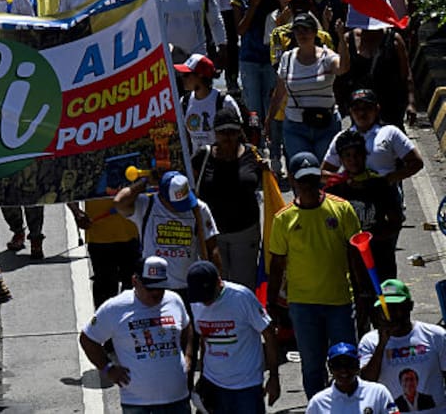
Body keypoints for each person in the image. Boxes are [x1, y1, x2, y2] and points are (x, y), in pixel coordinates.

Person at [268, 152, 364, 399]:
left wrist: (363, 294)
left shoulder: (342, 210)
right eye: (303, 180)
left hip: (340, 303)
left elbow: (356, 258)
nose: (309, 186)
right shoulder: (283, 220)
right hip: (303, 307)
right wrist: (272, 306)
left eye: (313, 179)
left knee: (347, 364)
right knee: (312, 368)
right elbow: (277, 266)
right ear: (292, 180)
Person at [79, 256, 192, 414]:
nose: (156, 293)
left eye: (161, 287)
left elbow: (186, 327)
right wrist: (108, 368)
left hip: (177, 399)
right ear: (135, 281)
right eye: (150, 288)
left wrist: (188, 356)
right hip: (137, 404)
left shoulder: (174, 301)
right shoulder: (115, 308)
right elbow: (88, 339)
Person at [187, 260, 280, 413]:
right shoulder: (196, 301)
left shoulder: (241, 297)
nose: (207, 302)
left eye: (209, 296)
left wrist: (274, 377)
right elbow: (205, 340)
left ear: (218, 282)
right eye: (202, 298)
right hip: (213, 384)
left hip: (246, 386)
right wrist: (203, 377)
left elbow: (269, 335)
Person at [114, 170, 221, 298]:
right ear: (162, 196)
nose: (180, 208)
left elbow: (212, 248)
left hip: (189, 287)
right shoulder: (146, 205)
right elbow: (119, 202)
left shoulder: (198, 208)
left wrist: (216, 283)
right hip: (155, 288)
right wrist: (145, 182)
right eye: (176, 204)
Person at [190, 110, 264, 290]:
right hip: (212, 235)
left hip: (245, 233)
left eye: (232, 131)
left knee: (244, 287)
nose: (228, 137)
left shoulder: (253, 155)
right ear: (215, 134)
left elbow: (266, 186)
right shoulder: (202, 156)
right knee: (216, 286)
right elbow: (188, 188)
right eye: (223, 132)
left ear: (240, 131)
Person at [270, 11, 351, 165]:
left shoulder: (327, 57)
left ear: (315, 33)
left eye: (306, 30)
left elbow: (343, 68)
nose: (302, 34)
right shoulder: (287, 59)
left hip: (326, 125)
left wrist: (342, 39)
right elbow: (279, 93)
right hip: (295, 126)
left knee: (324, 173)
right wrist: (269, 121)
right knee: (302, 171)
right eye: (298, 30)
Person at [325, 130, 403, 286]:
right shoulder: (334, 189)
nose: (353, 160)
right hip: (345, 262)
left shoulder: (380, 185)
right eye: (347, 156)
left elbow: (396, 221)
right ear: (340, 159)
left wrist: (374, 238)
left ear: (365, 155)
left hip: (379, 257)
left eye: (357, 154)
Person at [359, 279, 446, 412]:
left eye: (395, 308)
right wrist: (382, 345)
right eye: (385, 309)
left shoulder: (436, 336)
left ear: (409, 306)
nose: (390, 315)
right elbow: (367, 381)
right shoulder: (370, 342)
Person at [306, 343, 396, 414]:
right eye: (337, 365)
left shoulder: (378, 393)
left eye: (349, 364)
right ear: (330, 368)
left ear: (357, 366)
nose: (344, 370)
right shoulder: (318, 403)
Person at [176, 53, 241, 151]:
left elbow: (238, 136)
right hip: (197, 164)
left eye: (186, 74)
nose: (183, 78)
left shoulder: (224, 102)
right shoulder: (184, 102)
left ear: (200, 75)